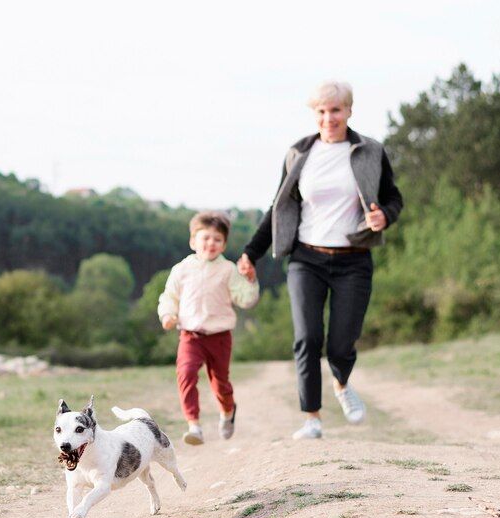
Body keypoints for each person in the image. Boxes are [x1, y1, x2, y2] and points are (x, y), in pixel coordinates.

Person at [238, 81, 403, 440]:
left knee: (342, 342)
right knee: (308, 337)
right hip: (306, 259)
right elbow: (278, 207)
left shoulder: (370, 151)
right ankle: (312, 418)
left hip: (354, 259)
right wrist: (252, 252)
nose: (329, 118)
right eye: (322, 112)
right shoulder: (298, 153)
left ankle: (342, 384)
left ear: (349, 111)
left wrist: (384, 216)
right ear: (314, 114)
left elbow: (393, 198)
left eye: (336, 111)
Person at [159, 211, 259, 445]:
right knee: (186, 374)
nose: (211, 243)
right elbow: (169, 297)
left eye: (217, 239)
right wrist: (167, 314)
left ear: (224, 244)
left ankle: (228, 411)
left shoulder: (228, 270)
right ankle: (194, 425)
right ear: (193, 241)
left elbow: (245, 299)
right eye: (205, 238)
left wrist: (251, 280)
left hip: (219, 336)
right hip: (190, 336)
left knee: (220, 383)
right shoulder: (181, 269)